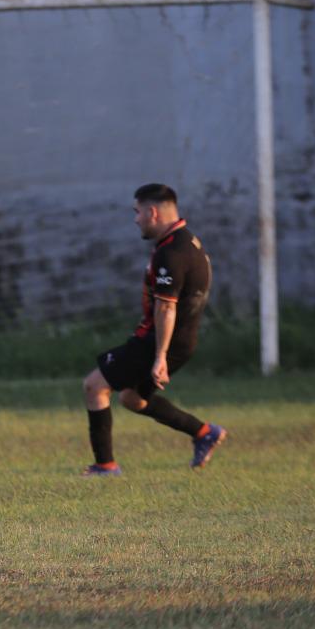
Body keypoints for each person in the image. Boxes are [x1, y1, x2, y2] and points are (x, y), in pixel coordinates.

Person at [79, 184, 226, 476]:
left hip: (159, 341)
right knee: (133, 399)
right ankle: (204, 432)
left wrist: (160, 356)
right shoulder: (187, 241)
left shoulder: (171, 253)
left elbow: (166, 308)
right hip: (180, 341)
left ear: (152, 212)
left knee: (94, 386)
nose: (136, 219)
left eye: (137, 212)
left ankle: (105, 466)